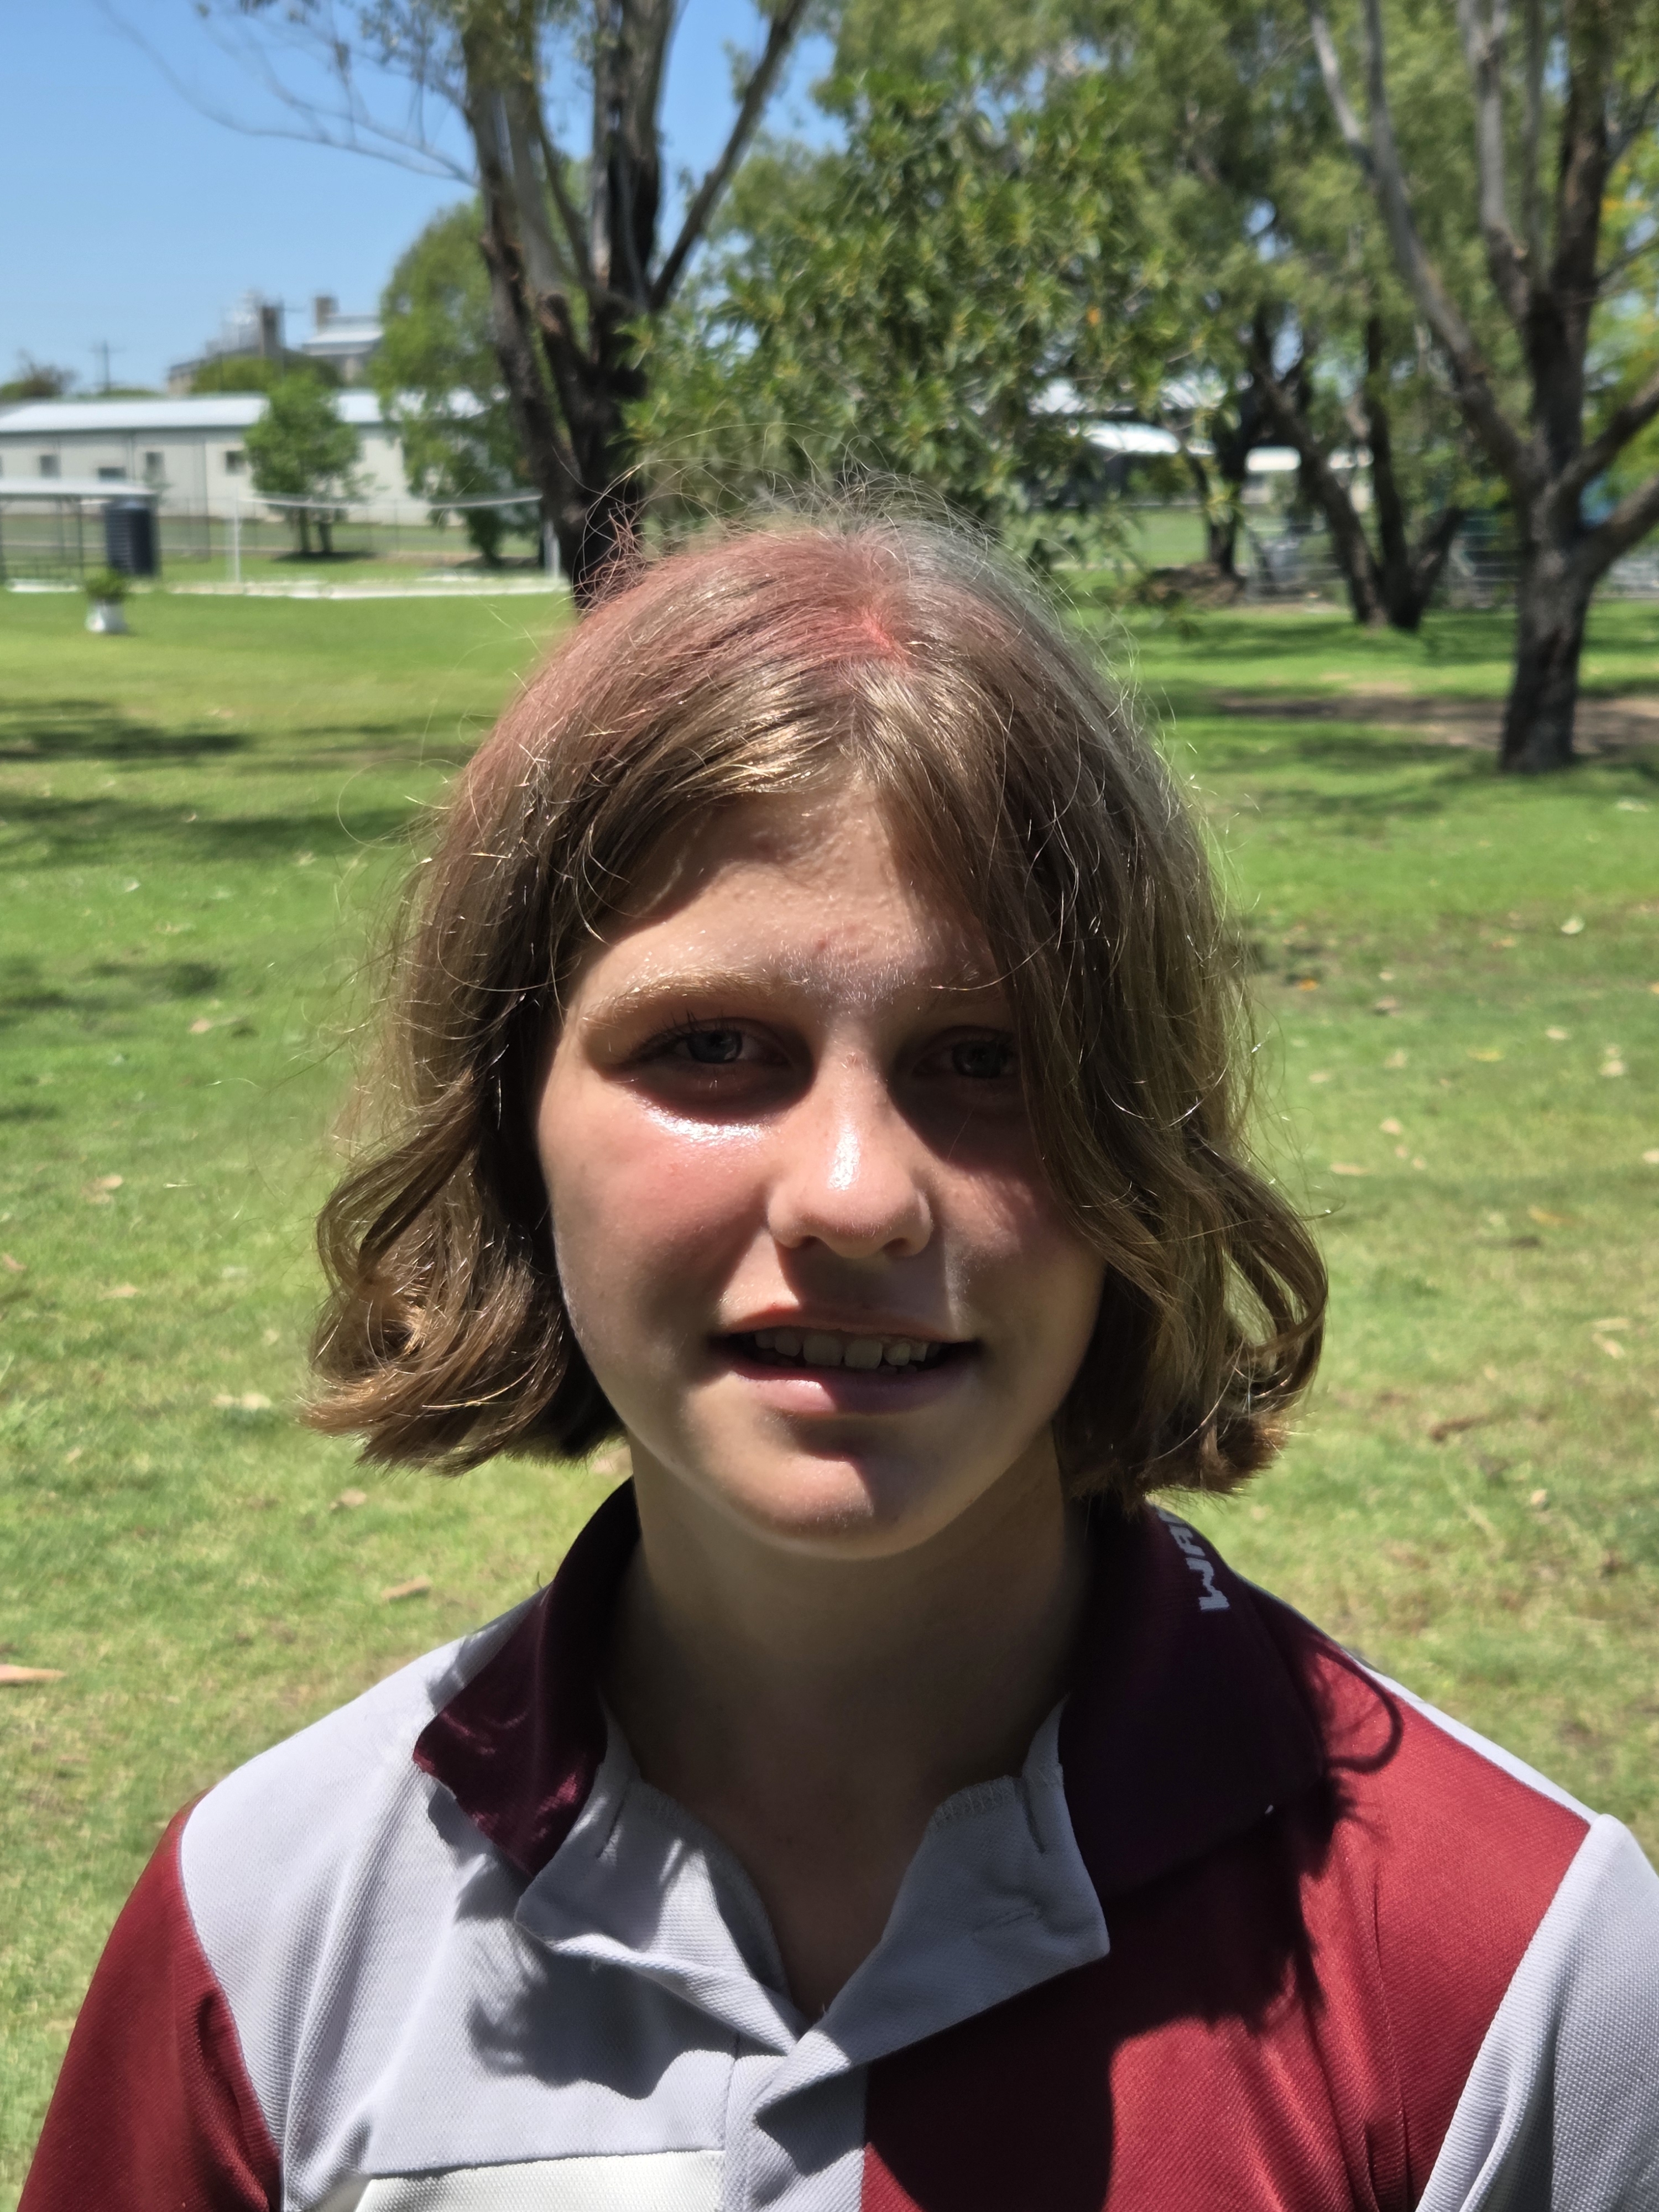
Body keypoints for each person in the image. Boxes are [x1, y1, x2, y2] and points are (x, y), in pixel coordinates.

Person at [23, 513, 1659, 2212]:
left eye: (987, 1057)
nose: (860, 1194)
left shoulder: (1512, 1974)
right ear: (508, 1124)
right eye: (713, 1045)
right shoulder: (265, 1941)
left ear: (1148, 1146)